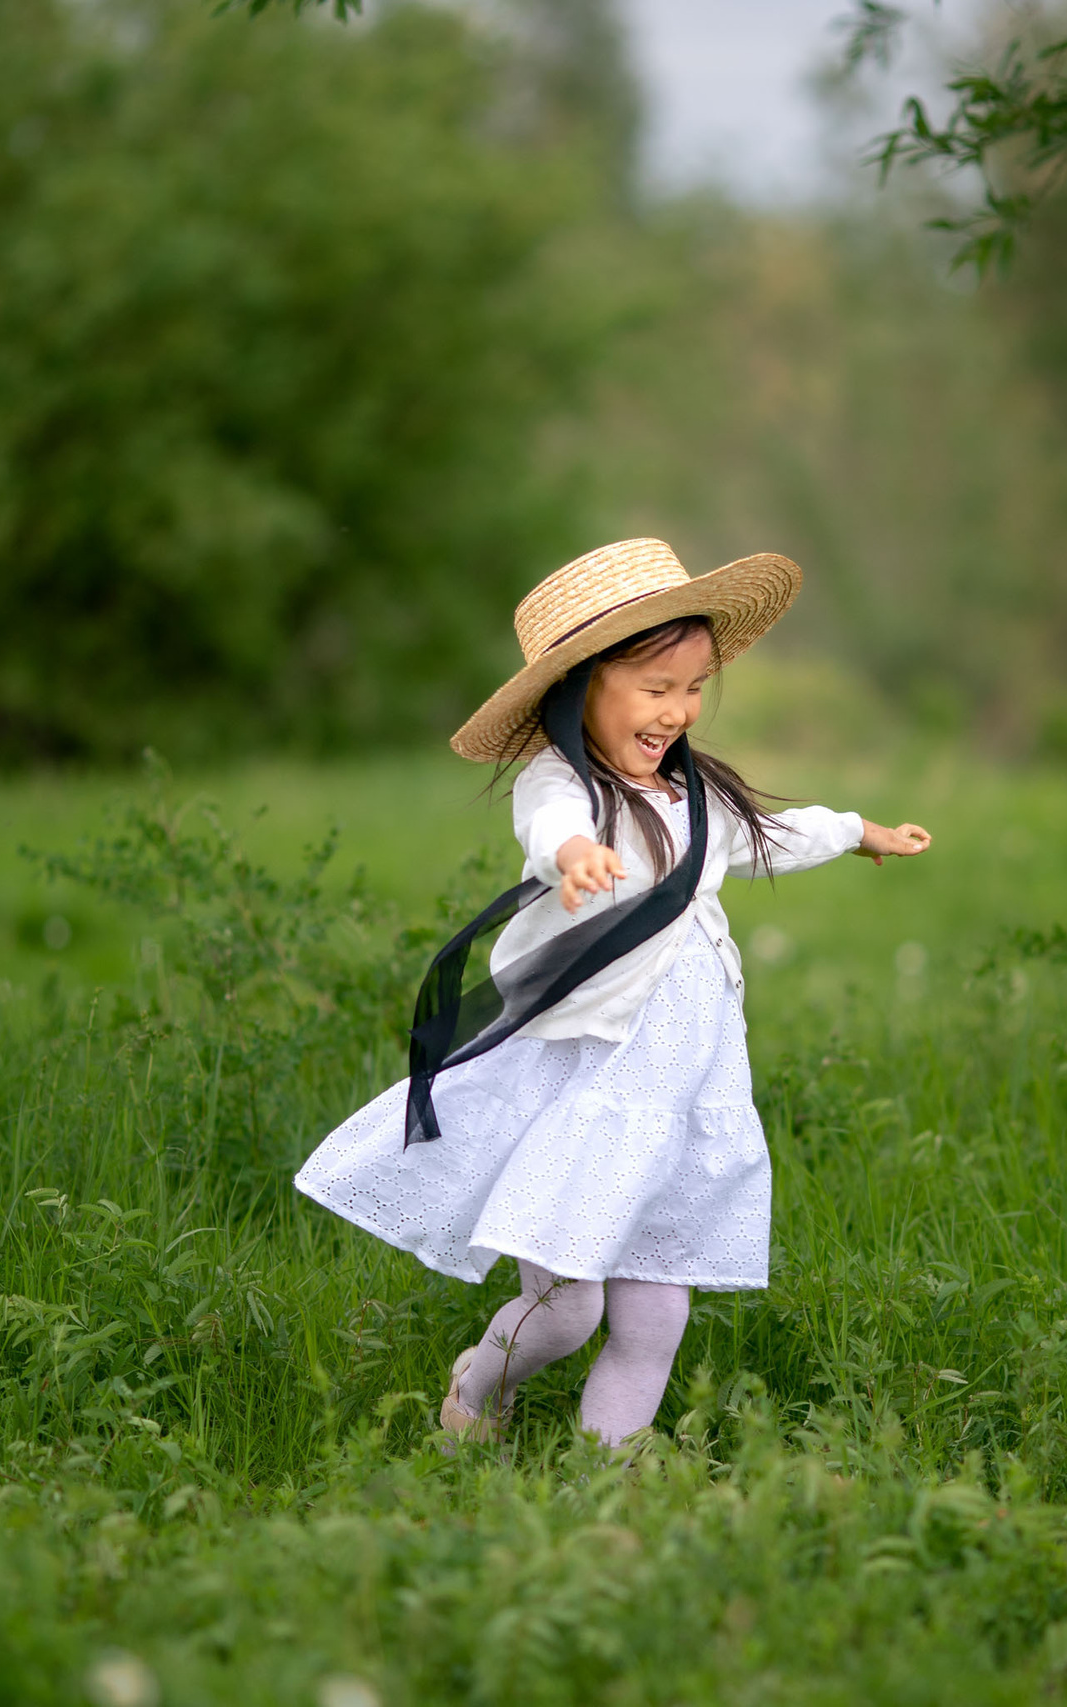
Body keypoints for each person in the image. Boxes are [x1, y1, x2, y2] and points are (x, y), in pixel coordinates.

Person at [294, 538, 932, 1450]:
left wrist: (858, 830)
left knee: (654, 1320)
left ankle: (609, 1480)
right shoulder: (566, 786)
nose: (678, 710)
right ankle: (476, 1391)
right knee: (562, 1313)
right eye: (654, 685)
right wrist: (573, 854)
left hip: (677, 1098)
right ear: (582, 684)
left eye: (694, 687)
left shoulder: (695, 793)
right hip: (588, 1093)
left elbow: (771, 838)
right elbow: (548, 821)